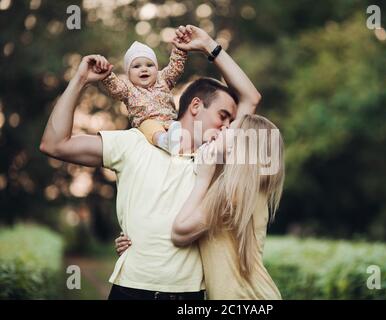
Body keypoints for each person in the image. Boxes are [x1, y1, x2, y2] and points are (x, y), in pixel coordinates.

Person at [39, 25, 261, 300]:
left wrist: (208, 45)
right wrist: (81, 79)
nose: (229, 127)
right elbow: (54, 144)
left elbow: (251, 98)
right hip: (131, 289)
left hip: (187, 295)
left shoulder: (215, 157)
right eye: (223, 116)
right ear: (195, 107)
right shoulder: (133, 143)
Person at [117, 113, 285, 299]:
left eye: (229, 129)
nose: (222, 128)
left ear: (240, 145)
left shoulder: (234, 194)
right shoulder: (247, 188)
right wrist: (141, 243)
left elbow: (180, 232)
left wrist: (203, 179)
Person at [98, 40, 186, 155]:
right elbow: (115, 88)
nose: (144, 69)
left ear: (157, 68)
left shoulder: (163, 79)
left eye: (149, 65)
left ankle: (182, 146)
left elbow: (175, 68)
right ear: (128, 74)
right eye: (136, 66)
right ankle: (164, 141)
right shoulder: (128, 88)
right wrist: (106, 75)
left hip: (169, 122)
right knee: (149, 125)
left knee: (182, 127)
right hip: (146, 127)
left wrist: (180, 49)